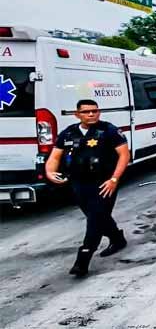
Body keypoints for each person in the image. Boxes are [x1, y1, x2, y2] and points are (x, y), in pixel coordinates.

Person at [45, 99, 130, 277]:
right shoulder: (68, 133)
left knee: (95, 218)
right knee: (98, 216)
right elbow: (55, 157)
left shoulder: (109, 130)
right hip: (79, 183)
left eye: (94, 111)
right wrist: (50, 172)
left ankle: (82, 259)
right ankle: (117, 238)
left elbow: (124, 155)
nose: (91, 114)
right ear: (77, 114)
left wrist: (114, 179)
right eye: (86, 112)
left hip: (104, 182)